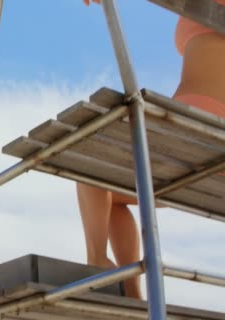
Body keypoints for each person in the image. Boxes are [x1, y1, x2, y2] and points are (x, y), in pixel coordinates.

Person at [79, 0, 225, 299]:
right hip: (197, 132)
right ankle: (131, 289)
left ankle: (96, 261)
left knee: (86, 161)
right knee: (111, 195)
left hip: (196, 123)